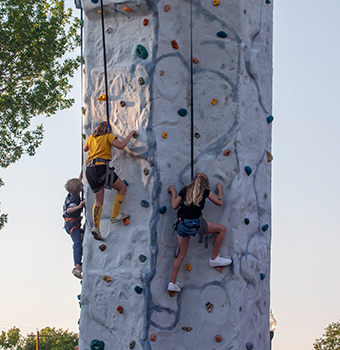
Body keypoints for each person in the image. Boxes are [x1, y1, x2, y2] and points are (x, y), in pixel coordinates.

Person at [167, 173, 232, 292]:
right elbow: (219, 202)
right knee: (222, 229)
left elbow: (174, 205)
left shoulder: (184, 190)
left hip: (181, 225)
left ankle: (172, 283)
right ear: (205, 183)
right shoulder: (205, 191)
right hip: (195, 224)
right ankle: (214, 258)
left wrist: (173, 192)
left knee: (181, 254)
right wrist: (220, 190)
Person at [83, 121, 136, 241]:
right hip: (101, 167)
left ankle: (96, 227)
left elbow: (85, 149)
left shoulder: (91, 137)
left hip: (90, 171)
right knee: (122, 187)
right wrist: (130, 134)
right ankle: (114, 215)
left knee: (98, 201)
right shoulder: (108, 136)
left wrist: (93, 141)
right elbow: (121, 145)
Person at [63, 177, 85, 279]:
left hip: (71, 224)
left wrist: (81, 175)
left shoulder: (71, 195)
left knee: (83, 237)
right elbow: (69, 210)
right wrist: (79, 206)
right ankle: (77, 267)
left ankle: (80, 262)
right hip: (72, 224)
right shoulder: (75, 199)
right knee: (77, 243)